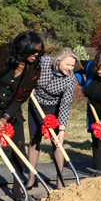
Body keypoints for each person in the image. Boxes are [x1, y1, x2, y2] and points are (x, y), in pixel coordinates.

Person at [0, 30, 43, 201]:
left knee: (19, 149)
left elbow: (22, 98)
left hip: (11, 109)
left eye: (39, 51)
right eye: (34, 51)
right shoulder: (1, 54)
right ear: (23, 47)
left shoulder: (34, 69)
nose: (37, 54)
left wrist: (5, 118)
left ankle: (18, 190)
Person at [27, 48, 81, 189]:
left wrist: (62, 129)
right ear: (58, 61)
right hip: (36, 103)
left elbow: (65, 105)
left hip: (54, 108)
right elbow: (29, 69)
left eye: (72, 65)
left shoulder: (69, 80)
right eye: (67, 65)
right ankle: (32, 176)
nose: (70, 68)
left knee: (57, 142)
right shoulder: (44, 62)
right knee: (34, 139)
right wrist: (29, 84)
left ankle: (60, 179)